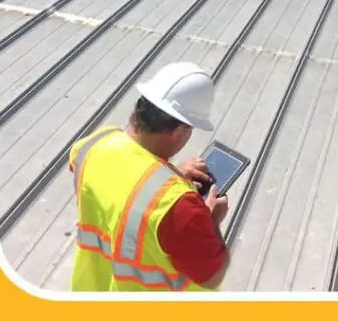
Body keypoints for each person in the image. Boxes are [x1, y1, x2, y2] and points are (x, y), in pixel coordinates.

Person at [68, 61, 229, 292]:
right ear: (179, 131)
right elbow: (211, 275)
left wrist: (170, 173)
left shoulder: (88, 148)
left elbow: (122, 185)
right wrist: (211, 223)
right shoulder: (180, 206)